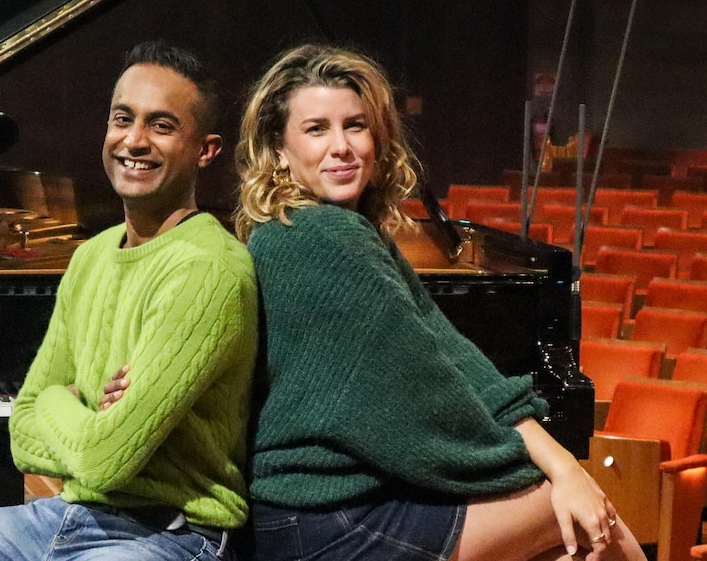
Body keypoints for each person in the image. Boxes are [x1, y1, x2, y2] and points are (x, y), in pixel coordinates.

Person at [0, 40, 258, 561]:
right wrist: (82, 414)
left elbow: (108, 458)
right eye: (122, 119)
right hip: (64, 516)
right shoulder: (89, 258)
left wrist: (59, 402)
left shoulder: (209, 268)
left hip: (168, 534)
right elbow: (22, 431)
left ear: (206, 149)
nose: (133, 140)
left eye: (162, 125)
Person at [232, 43, 646, 561]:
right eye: (316, 129)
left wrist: (563, 468)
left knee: (568, 528)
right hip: (326, 522)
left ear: (378, 138)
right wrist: (556, 478)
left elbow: (458, 362)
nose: (341, 146)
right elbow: (430, 402)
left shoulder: (314, 230)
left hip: (305, 514)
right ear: (278, 149)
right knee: (596, 528)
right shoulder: (322, 238)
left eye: (355, 125)